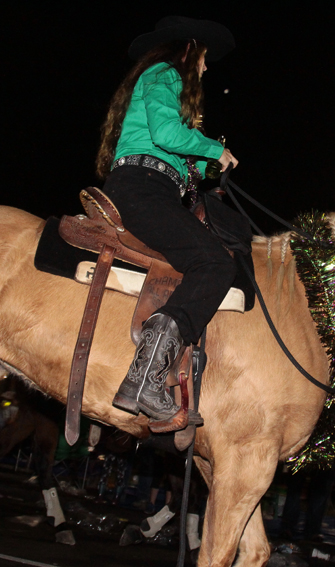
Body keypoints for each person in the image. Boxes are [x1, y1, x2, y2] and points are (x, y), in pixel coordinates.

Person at [95, 16, 238, 425]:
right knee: (216, 262)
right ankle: (144, 381)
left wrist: (203, 168)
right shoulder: (165, 73)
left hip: (147, 184)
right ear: (190, 49)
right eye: (206, 58)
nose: (207, 69)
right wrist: (214, 149)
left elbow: (172, 149)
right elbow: (166, 134)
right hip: (143, 187)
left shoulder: (154, 78)